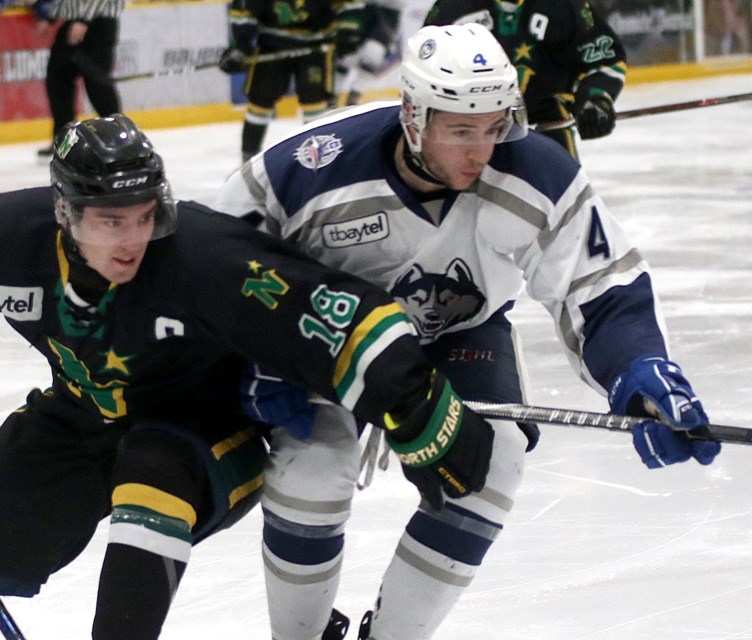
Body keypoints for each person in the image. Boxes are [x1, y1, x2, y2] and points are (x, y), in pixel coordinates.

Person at [0, 114, 498, 640]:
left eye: (143, 216)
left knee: (153, 472)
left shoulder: (201, 257)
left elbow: (335, 313)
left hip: (206, 431)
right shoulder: (2, 237)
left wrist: (416, 402)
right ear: (64, 212)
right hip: (77, 419)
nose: (130, 239)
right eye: (109, 220)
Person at [213, 24, 720, 639]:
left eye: (494, 126)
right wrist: (251, 357)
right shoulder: (309, 166)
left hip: (461, 331)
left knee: (495, 462)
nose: (481, 151)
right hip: (331, 340)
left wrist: (638, 366)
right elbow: (216, 262)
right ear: (412, 116)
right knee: (311, 471)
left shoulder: (535, 172)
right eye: (460, 131)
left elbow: (600, 286)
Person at [424, 0, 627, 161]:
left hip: (547, 138)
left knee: (562, 210)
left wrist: (596, 98)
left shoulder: (563, 5)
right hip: (470, 137)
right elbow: (424, 70)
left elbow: (604, 60)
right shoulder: (453, 7)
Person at [0, 0, 124, 160]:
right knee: (57, 80)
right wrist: (50, 17)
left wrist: (83, 20)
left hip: (97, 23)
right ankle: (65, 141)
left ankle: (119, 136)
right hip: (73, 22)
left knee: (97, 85)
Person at [217, 0, 364, 164]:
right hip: (272, 44)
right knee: (260, 100)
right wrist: (241, 44)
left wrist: (348, 31)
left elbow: (349, 5)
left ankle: (320, 162)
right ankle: (248, 161)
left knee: (314, 101)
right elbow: (244, 8)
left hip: (317, 45)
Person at [332, 0, 405, 107]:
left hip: (389, 10)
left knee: (374, 53)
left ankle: (355, 95)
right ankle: (333, 96)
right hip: (357, 7)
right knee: (346, 54)